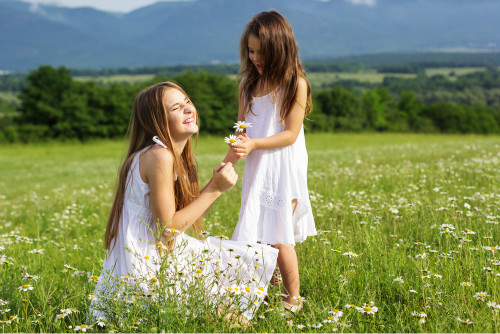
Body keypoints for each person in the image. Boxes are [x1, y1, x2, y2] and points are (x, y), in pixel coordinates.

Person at [91, 82, 278, 324]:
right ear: (157, 121)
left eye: (187, 102)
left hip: (153, 256)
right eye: (177, 108)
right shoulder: (159, 156)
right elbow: (167, 229)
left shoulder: (161, 155)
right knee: (236, 313)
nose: (189, 109)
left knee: (245, 272)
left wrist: (229, 161)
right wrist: (215, 189)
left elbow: (187, 215)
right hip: (145, 268)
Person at [229, 10, 317, 313]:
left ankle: (294, 299)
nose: (255, 57)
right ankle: (265, 285)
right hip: (258, 168)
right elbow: (241, 133)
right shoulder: (247, 87)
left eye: (261, 52)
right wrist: (229, 161)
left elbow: (290, 134)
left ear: (280, 49)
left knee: (279, 236)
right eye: (250, 50)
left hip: (283, 168)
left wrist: (254, 143)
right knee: (257, 231)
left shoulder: (295, 84)